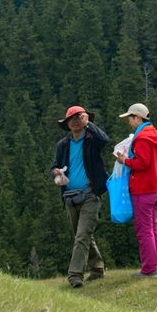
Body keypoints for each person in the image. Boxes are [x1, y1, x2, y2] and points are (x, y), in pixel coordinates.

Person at [51, 105, 110, 288]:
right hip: (69, 196)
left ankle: (74, 275)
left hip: (90, 194)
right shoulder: (63, 145)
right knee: (83, 235)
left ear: (85, 120)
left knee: (82, 235)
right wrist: (56, 173)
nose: (76, 121)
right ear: (67, 124)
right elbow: (54, 166)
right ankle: (98, 268)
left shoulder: (92, 140)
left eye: (79, 117)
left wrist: (89, 124)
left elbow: (105, 140)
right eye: (72, 119)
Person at [115, 102, 157, 278]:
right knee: (153, 227)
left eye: (130, 118)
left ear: (137, 118)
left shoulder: (142, 137)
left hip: (144, 189)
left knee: (144, 230)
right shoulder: (155, 134)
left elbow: (142, 163)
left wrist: (125, 161)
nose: (129, 121)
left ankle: (149, 269)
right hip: (156, 187)